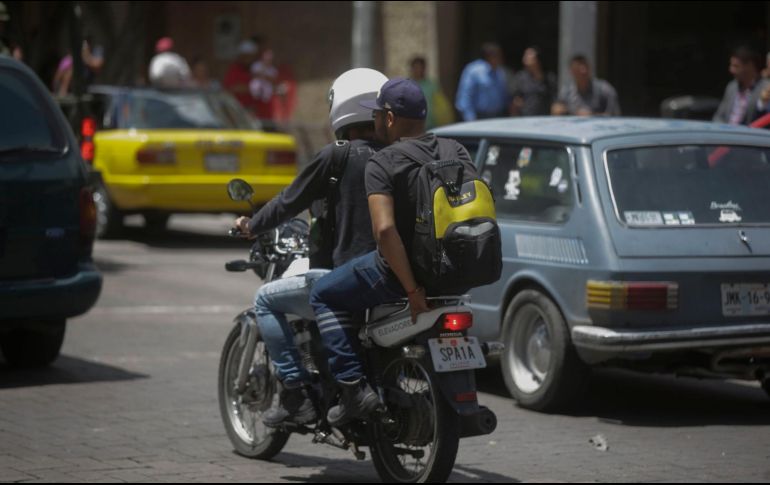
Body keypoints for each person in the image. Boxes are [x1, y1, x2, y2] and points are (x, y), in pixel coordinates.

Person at [309, 78, 476, 426]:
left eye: (376, 116)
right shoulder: (456, 151)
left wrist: (412, 291)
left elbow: (384, 231)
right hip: (452, 273)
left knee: (323, 295)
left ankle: (353, 389)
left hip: (401, 276)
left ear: (388, 118)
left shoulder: (384, 161)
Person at [232, 68, 388, 427]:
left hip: (343, 275)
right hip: (389, 274)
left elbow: (288, 201)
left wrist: (251, 225)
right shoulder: (395, 155)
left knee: (265, 300)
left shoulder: (336, 156)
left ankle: (295, 393)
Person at [713, 46, 769, 126]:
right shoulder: (732, 87)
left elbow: (763, 119)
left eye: (736, 66)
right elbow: (719, 116)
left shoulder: (766, 88)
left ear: (750, 65)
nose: (731, 70)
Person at [455, 43, 510, 121]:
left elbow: (504, 96)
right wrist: (471, 120)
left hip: (498, 117)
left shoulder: (500, 72)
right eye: (498, 56)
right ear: (489, 56)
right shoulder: (473, 71)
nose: (501, 59)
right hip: (480, 117)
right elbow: (465, 98)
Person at [552, 54, 621, 116]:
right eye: (578, 69)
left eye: (586, 67)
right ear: (571, 71)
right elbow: (557, 109)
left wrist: (591, 115)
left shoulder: (604, 90)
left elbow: (614, 115)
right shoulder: (566, 91)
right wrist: (570, 111)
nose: (583, 72)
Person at [510, 46, 557, 116]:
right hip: (526, 118)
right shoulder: (520, 78)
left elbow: (555, 99)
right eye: (525, 55)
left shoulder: (549, 78)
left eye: (529, 55)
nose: (525, 57)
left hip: (545, 118)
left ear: (537, 59)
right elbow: (516, 99)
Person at [409, 56, 453, 129]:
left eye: (420, 67)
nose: (417, 70)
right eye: (415, 67)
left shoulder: (432, 85)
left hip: (431, 125)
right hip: (413, 126)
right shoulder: (407, 85)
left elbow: (441, 105)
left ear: (424, 68)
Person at [224, 40, 259, 113]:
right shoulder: (234, 69)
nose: (248, 59)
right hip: (236, 110)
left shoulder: (255, 69)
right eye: (246, 56)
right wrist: (251, 89)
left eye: (251, 57)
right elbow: (231, 88)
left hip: (253, 110)